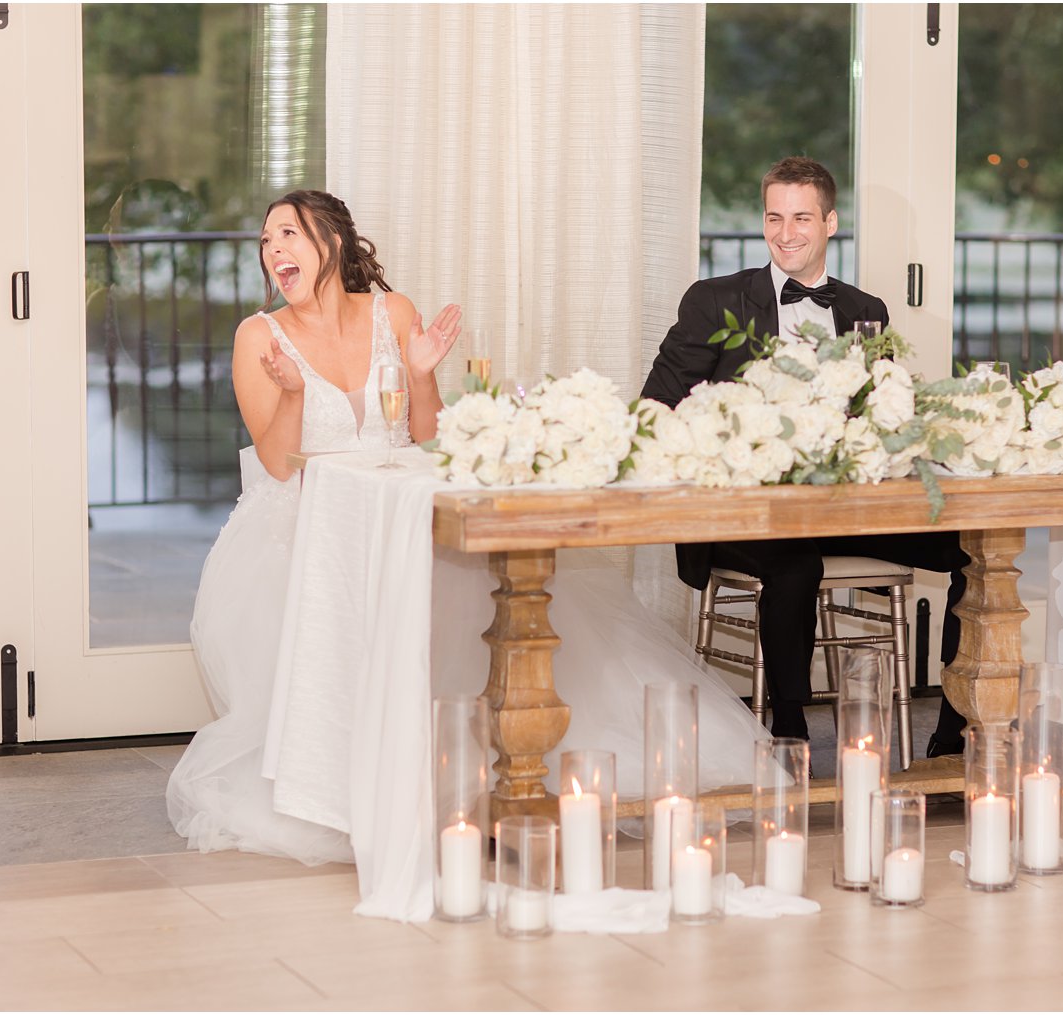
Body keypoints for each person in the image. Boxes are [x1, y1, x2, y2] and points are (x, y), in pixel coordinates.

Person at [167, 190, 766, 864]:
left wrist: (421, 373)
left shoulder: (393, 313)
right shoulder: (260, 336)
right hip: (309, 521)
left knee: (469, 588)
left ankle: (493, 771)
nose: (274, 249)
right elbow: (277, 463)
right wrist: (298, 395)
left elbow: (426, 433)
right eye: (267, 239)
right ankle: (369, 780)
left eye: (289, 233)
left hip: (402, 506)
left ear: (332, 240)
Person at [641, 156, 971, 757]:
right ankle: (788, 731)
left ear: (830, 223)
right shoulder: (713, 301)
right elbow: (655, 407)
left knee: (970, 554)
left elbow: (881, 416)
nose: (785, 233)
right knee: (794, 565)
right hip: (743, 514)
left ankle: (955, 724)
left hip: (840, 509)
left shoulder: (865, 311)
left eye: (800, 218)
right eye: (774, 217)